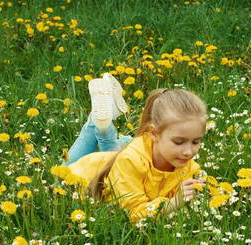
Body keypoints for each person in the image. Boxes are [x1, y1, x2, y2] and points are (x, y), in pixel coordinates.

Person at [60, 73, 206, 223]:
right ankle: (94, 123)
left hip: (115, 165)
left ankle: (106, 125)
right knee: (64, 169)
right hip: (83, 175)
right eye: (179, 142)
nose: (188, 152)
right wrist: (173, 203)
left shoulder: (188, 167)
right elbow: (133, 213)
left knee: (117, 152)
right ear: (154, 133)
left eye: (195, 142)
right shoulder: (131, 160)